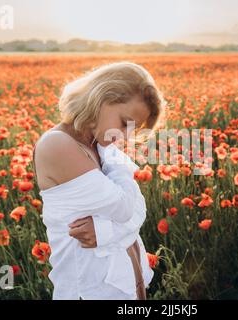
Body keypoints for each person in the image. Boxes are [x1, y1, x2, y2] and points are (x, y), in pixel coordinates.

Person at [32, 61, 165, 299]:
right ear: (101, 98)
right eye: (124, 123)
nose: (124, 137)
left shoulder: (95, 144)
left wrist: (105, 231)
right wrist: (123, 168)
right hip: (89, 289)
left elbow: (140, 208)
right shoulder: (58, 144)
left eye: (132, 131)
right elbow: (126, 208)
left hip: (124, 282)